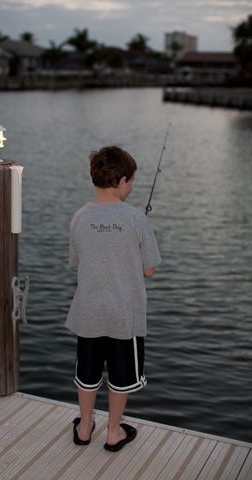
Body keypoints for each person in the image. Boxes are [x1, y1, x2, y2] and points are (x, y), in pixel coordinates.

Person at [65, 145, 161, 452]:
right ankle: (113, 431)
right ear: (121, 181)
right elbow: (149, 271)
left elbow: (78, 261)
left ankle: (83, 427)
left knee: (87, 373)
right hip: (125, 316)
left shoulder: (79, 217)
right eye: (131, 181)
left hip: (88, 312)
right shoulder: (137, 219)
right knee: (121, 378)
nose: (131, 187)